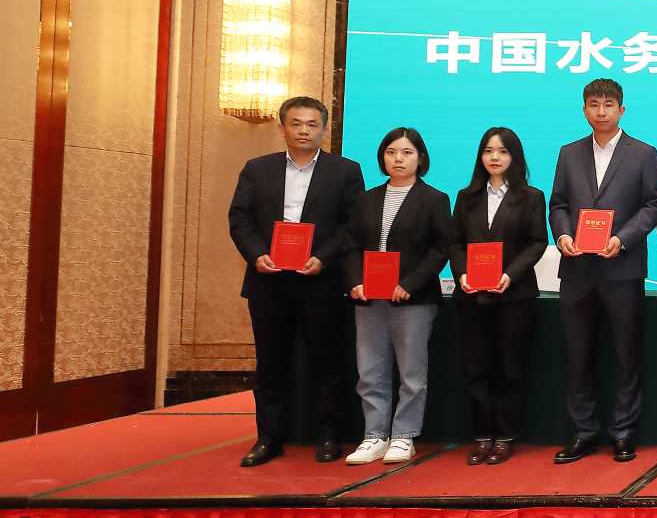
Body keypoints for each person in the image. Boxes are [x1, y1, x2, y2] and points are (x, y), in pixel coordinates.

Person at [225, 95, 366, 466]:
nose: (304, 131)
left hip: (321, 281)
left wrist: (324, 258)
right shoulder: (258, 169)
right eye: (296, 124)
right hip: (268, 281)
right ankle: (268, 438)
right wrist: (257, 254)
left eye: (312, 124)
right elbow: (240, 218)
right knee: (270, 365)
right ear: (282, 127)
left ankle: (328, 435)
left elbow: (352, 225)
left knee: (327, 363)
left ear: (324, 129)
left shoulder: (345, 171)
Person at [548, 78, 657, 464]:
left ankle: (623, 433)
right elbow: (558, 204)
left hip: (622, 270)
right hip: (577, 270)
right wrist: (563, 235)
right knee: (577, 356)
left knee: (626, 356)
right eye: (594, 105)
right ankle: (583, 432)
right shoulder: (568, 153)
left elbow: (653, 206)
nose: (601, 112)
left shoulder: (644, 153)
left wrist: (622, 238)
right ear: (584, 110)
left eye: (608, 105)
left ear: (622, 110)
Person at [342, 127, 454, 465]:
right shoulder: (365, 199)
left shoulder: (434, 199)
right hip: (368, 297)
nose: (398, 159)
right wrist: (355, 281)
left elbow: (441, 248)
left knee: (411, 372)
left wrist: (410, 283)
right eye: (391, 152)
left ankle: (404, 435)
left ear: (420, 158)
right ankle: (374, 435)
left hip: (412, 298)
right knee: (370, 370)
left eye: (406, 153)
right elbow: (349, 245)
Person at [449, 127, 548, 466]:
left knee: (510, 368)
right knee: (475, 368)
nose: (494, 157)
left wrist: (510, 274)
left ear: (514, 157)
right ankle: (482, 435)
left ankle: (504, 436)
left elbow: (537, 242)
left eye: (503, 151)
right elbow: (455, 243)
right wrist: (462, 274)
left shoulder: (531, 197)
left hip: (514, 296)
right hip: (471, 296)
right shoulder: (466, 197)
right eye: (488, 151)